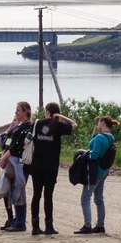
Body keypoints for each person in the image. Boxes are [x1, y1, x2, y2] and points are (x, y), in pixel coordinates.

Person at [29, 101, 75, 235]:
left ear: (47, 111)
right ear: (56, 112)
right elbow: (74, 125)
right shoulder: (58, 126)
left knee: (36, 195)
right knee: (48, 195)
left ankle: (35, 226)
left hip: (36, 165)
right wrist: (61, 117)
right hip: (51, 166)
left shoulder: (38, 123)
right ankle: (49, 226)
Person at [77, 115, 118, 235]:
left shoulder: (100, 138)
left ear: (103, 123)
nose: (97, 125)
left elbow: (94, 154)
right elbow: (93, 140)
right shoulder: (110, 137)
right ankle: (100, 225)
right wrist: (96, 127)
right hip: (104, 171)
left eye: (99, 123)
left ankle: (87, 225)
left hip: (95, 171)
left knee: (85, 197)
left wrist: (84, 156)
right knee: (99, 198)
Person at [0, 100, 33, 232]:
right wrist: (12, 126)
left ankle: (20, 222)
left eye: (18, 110)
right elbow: (6, 141)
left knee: (18, 189)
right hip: (12, 160)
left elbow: (18, 146)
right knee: (12, 189)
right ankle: (15, 220)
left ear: (25, 112)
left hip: (19, 162)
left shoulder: (27, 127)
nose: (16, 113)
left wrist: (5, 157)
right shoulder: (18, 126)